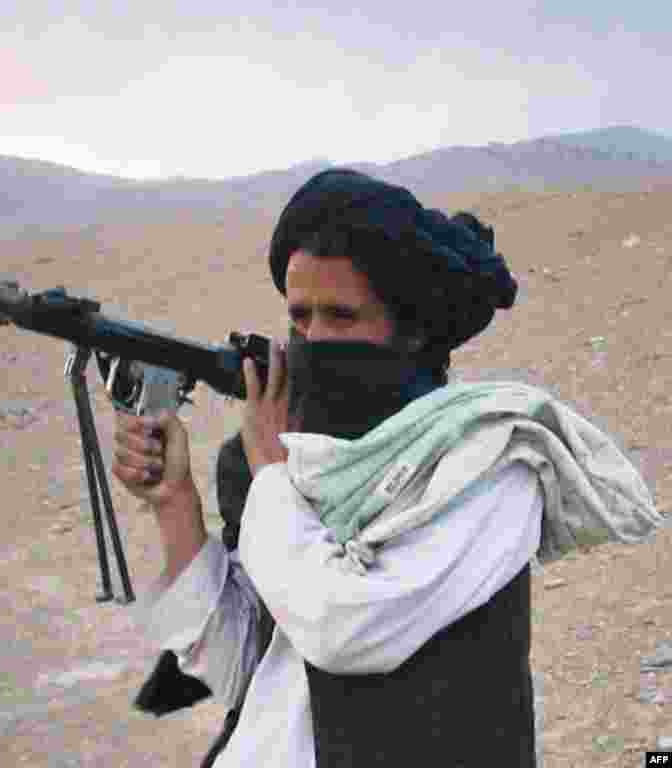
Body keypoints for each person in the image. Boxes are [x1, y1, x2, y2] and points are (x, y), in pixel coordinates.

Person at [111, 169, 661, 767]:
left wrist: (272, 475)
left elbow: (342, 627)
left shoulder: (491, 462)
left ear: (412, 331)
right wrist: (176, 504)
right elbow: (247, 665)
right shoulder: (301, 462)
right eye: (300, 319)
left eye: (341, 318)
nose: (312, 343)